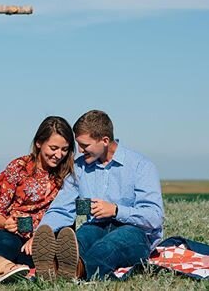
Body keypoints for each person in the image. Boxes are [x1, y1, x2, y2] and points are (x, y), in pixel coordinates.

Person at [31, 109, 164, 281]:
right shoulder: (79, 168)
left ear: (105, 141)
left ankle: (76, 270)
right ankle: (55, 266)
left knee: (109, 246)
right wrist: (43, 230)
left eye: (85, 145)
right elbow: (62, 208)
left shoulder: (141, 166)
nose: (79, 150)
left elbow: (154, 217)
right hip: (95, 226)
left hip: (135, 232)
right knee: (79, 239)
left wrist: (116, 210)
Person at [0, 116, 75, 283]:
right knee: (4, 242)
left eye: (64, 149)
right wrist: (5, 223)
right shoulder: (18, 168)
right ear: (39, 143)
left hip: (46, 236)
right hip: (12, 234)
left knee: (57, 248)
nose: (58, 155)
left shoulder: (69, 173)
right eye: (53, 148)